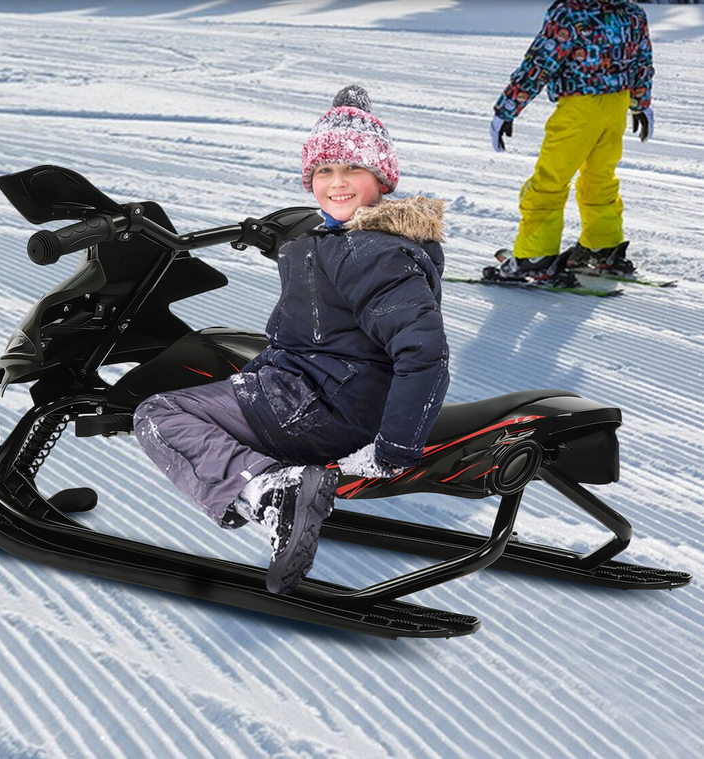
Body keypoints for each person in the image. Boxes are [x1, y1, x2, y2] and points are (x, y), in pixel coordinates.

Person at [134, 85, 449, 595]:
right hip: (321, 396)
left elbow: (425, 354)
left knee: (158, 414)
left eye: (353, 170)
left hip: (320, 409)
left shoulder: (370, 252)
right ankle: (279, 483)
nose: (337, 183)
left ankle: (272, 490)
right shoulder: (343, 242)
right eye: (324, 171)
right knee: (226, 367)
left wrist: (393, 449)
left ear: (382, 179)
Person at [488, 0, 654, 284]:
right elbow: (642, 60)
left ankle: (535, 257)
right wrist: (641, 104)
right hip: (617, 106)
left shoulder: (570, 12)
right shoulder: (631, 11)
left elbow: (540, 63)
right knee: (599, 178)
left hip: (580, 109)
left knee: (550, 180)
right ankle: (603, 247)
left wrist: (507, 109)